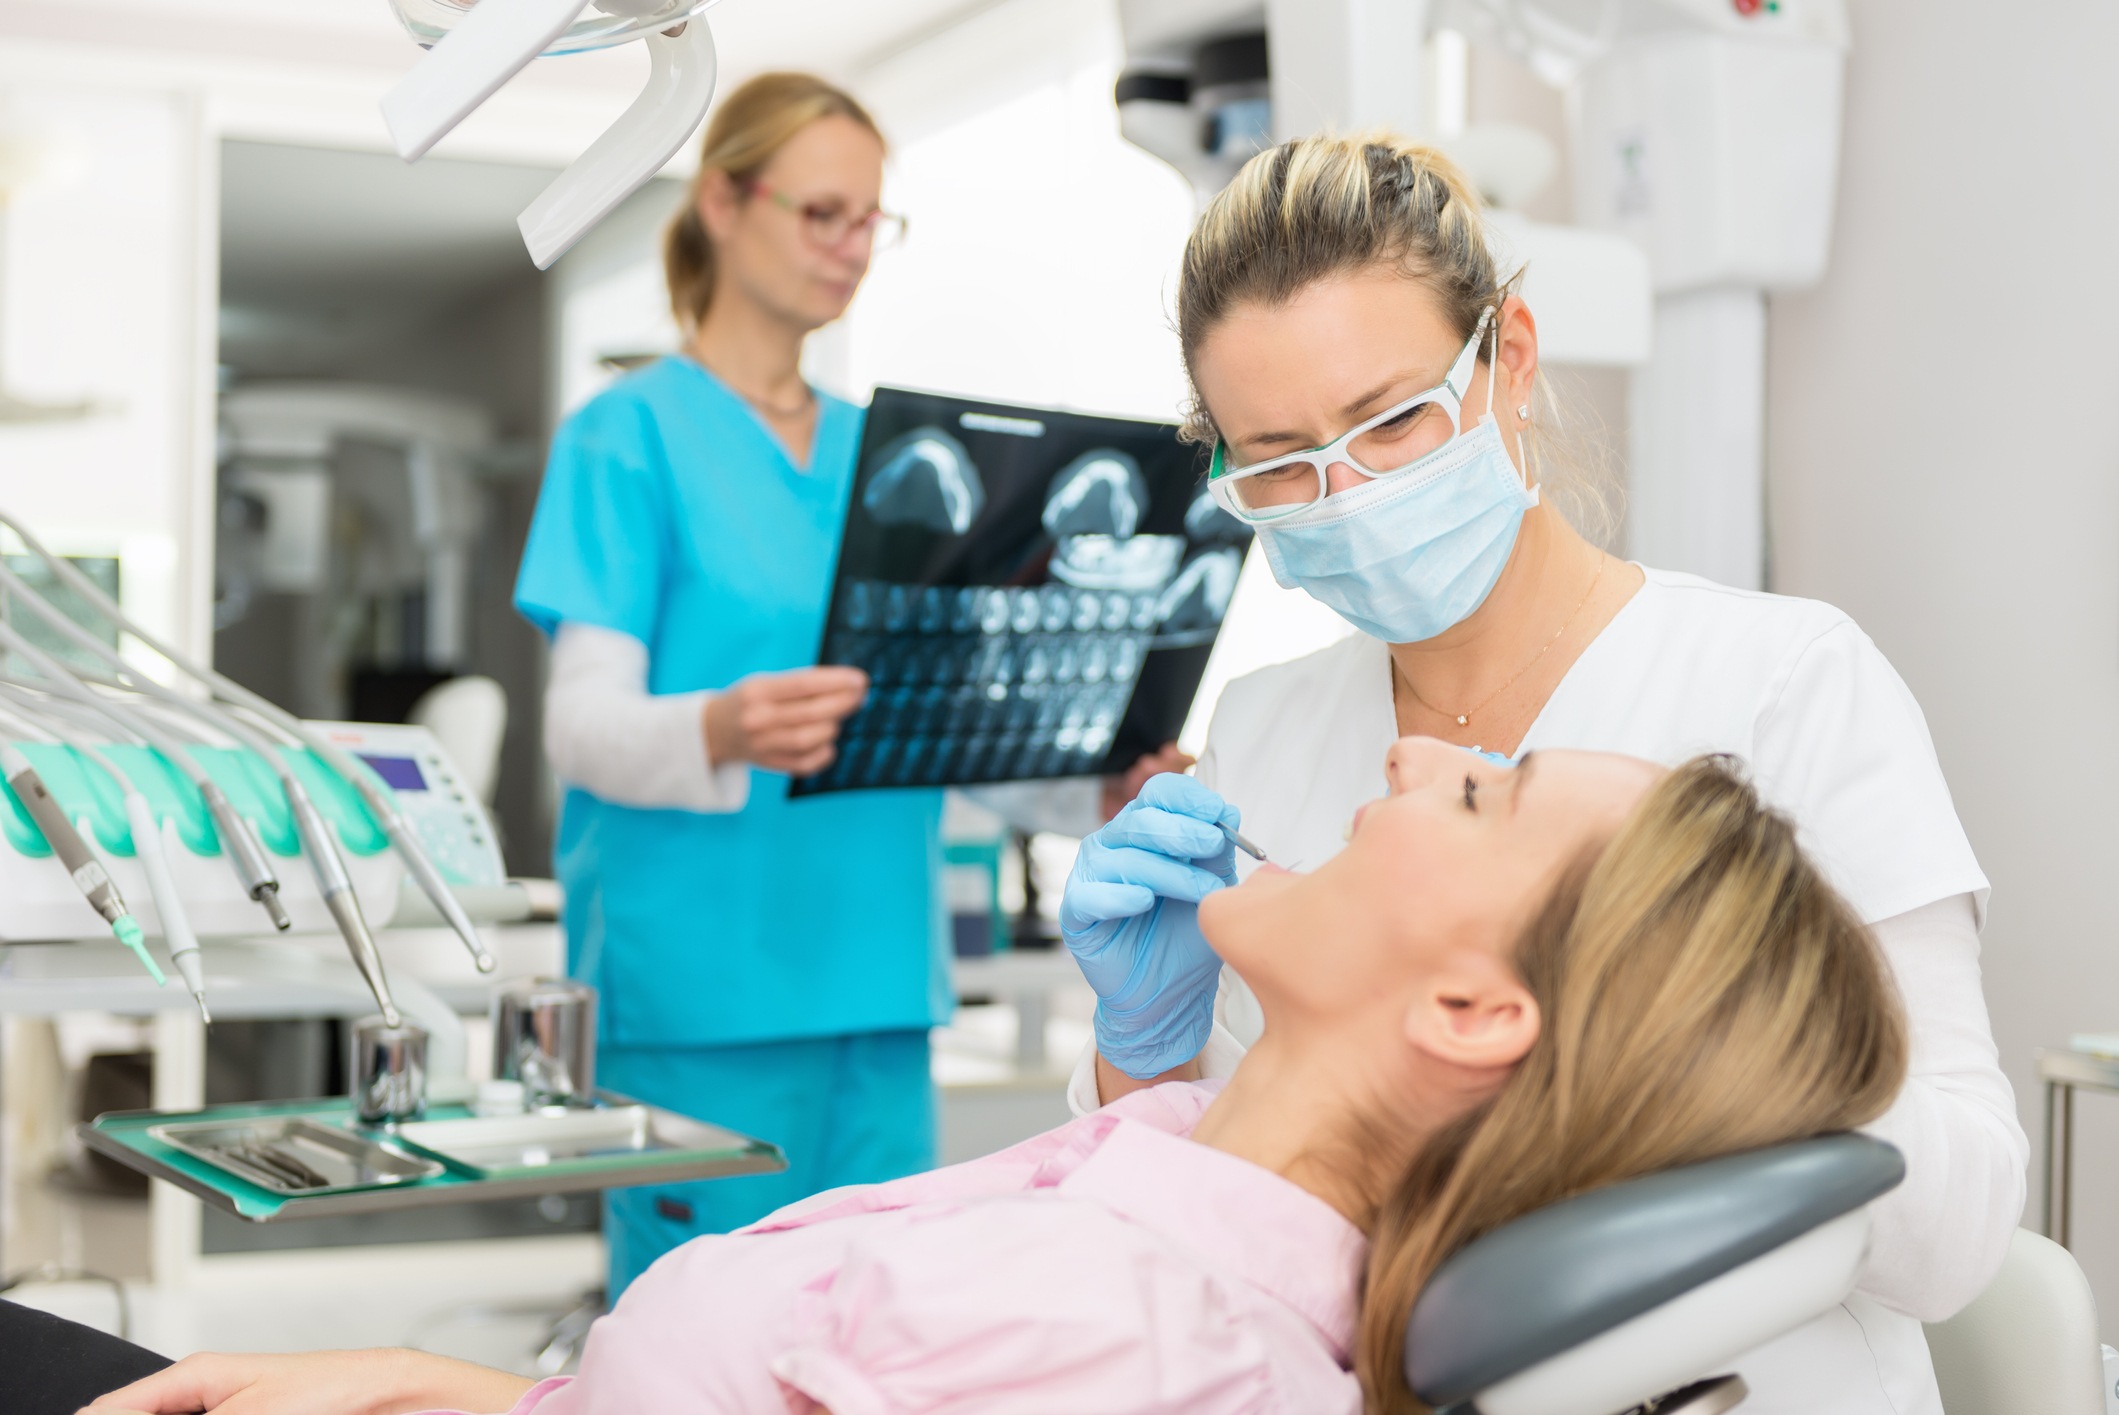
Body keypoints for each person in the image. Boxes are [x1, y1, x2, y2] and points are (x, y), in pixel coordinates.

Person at [1055, 133, 2024, 1414]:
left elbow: (1957, 1230)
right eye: (1281, 461)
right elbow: (1224, 1203)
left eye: (1391, 420)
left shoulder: (1785, 680)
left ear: (1508, 358)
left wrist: (1665, 1015)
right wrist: (1142, 1055)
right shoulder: (1267, 725)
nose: (1344, 496)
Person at [83, 745, 1905, 1415]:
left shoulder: (1128, 1343)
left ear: (1470, 1014)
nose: (1399, 763)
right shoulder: (1186, 1175)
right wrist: (462, 1393)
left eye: (1475, 795)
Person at [513, 73, 1181, 1299]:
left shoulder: (893, 456)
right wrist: (716, 723)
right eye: (823, 212)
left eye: (872, 220)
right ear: (722, 199)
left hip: (875, 979)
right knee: (698, 1340)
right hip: (701, 996)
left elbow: (941, 718)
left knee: (872, 1329)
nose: (851, 247)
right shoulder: (628, 436)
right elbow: (580, 727)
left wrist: (1101, 778)